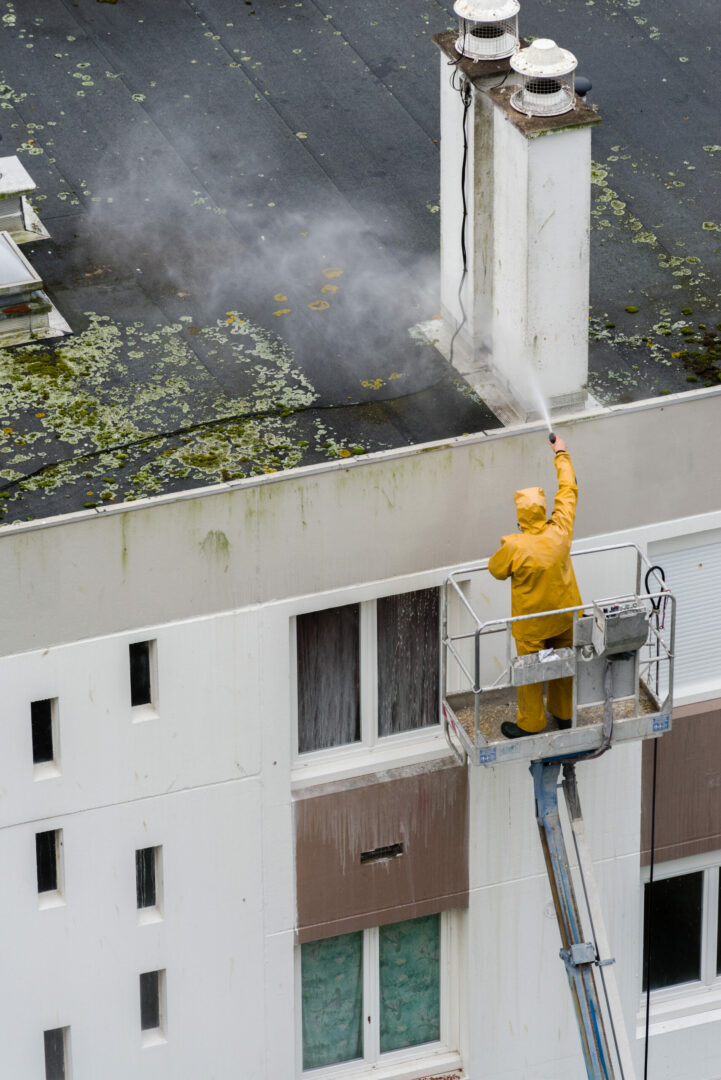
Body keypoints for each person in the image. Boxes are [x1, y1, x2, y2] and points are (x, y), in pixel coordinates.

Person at [488, 436, 581, 738]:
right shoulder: (560, 531)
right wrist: (561, 452)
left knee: (530, 674)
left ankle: (531, 723)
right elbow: (568, 490)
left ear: (520, 516)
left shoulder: (515, 546)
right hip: (565, 615)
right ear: (543, 509)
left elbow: (496, 570)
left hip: (531, 626)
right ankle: (564, 714)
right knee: (563, 666)